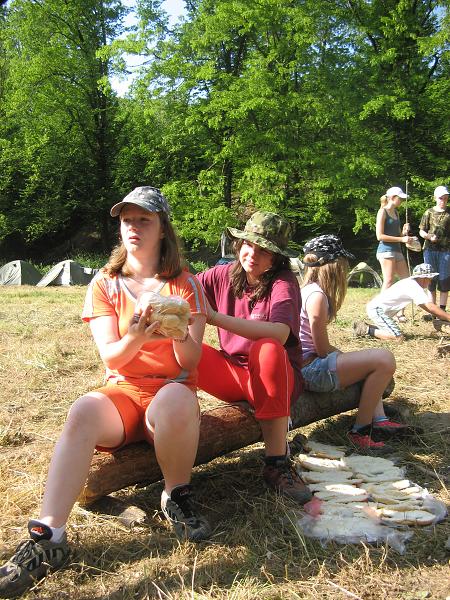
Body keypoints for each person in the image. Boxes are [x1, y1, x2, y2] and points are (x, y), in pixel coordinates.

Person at [0, 187, 210, 599]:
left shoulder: (186, 285)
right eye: (126, 219)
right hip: (124, 393)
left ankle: (176, 495)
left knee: (175, 397)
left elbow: (190, 363)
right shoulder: (105, 283)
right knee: (81, 411)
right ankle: (48, 537)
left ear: (162, 227)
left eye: (143, 219)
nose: (133, 227)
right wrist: (136, 334)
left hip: (170, 394)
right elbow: (112, 356)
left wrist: (181, 332)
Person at [196, 211, 312, 505]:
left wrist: (216, 318)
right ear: (239, 243)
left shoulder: (283, 283)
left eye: (264, 250)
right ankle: (166, 422)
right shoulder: (224, 274)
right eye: (249, 244)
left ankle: (277, 463)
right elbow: (188, 285)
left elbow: (280, 333)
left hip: (277, 377)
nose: (253, 254)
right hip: (237, 374)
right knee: (183, 348)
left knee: (268, 347)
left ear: (277, 257)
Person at [299, 234, 404, 453]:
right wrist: (342, 355)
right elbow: (320, 348)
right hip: (311, 370)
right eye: (342, 263)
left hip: (310, 367)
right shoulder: (317, 296)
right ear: (332, 265)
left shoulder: (308, 291)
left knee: (370, 363)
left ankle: (380, 419)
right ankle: (360, 431)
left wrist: (345, 357)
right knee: (384, 359)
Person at [354, 263, 450, 342]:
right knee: (398, 338)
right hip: (378, 310)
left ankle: (364, 326)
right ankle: (366, 330)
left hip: (377, 309)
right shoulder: (413, 286)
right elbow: (430, 307)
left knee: (392, 333)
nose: (430, 282)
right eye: (430, 279)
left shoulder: (411, 283)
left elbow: (428, 307)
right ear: (423, 278)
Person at [376, 186, 416, 322]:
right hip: (385, 250)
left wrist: (404, 233)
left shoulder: (397, 213)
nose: (402, 201)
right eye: (400, 198)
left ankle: (400, 313)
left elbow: (398, 234)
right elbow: (379, 236)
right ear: (392, 198)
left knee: (406, 280)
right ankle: (379, 311)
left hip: (397, 250)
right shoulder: (383, 212)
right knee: (388, 281)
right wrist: (401, 239)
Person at [419, 185, 450, 314]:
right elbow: (421, 231)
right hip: (429, 250)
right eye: (441, 198)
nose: (443, 200)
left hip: (446, 251)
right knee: (430, 280)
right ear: (435, 198)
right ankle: (433, 311)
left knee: (444, 279)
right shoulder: (428, 212)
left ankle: (442, 311)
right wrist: (428, 236)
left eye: (446, 198)